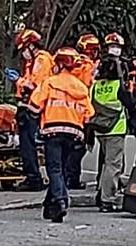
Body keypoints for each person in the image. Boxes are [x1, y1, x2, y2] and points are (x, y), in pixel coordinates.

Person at [38, 47, 95, 224]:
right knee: (60, 169)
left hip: (53, 131)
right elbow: (89, 113)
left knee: (54, 169)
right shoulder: (81, 87)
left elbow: (35, 104)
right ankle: (51, 205)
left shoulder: (50, 82)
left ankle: (62, 200)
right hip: (74, 133)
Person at [91, 42, 130, 209]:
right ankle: (108, 199)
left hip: (100, 129)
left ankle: (101, 194)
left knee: (105, 164)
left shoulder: (96, 86)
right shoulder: (118, 86)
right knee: (113, 165)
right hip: (116, 128)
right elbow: (130, 104)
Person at [12, 28, 49, 191]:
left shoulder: (42, 60)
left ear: (31, 46)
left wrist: (18, 81)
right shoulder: (32, 62)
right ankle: (32, 176)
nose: (23, 54)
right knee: (26, 146)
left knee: (29, 145)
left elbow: (35, 86)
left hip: (34, 109)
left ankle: (34, 179)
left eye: (24, 49)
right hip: (27, 108)